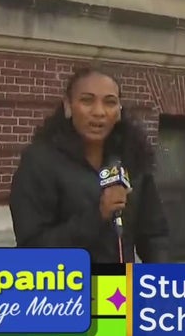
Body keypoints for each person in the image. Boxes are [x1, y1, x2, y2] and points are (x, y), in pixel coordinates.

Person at [10, 67, 168, 263]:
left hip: (115, 289)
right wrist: (98, 215)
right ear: (68, 106)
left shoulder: (130, 159)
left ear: (119, 111)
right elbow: (33, 248)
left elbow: (154, 234)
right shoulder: (40, 161)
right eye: (87, 100)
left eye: (110, 102)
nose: (99, 112)